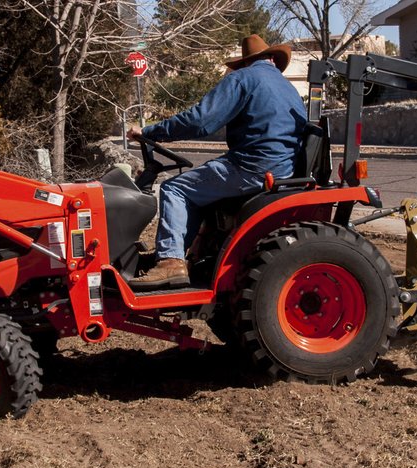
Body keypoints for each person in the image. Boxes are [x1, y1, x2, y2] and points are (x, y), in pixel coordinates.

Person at [127, 34, 308, 290]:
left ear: (246, 62)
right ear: (271, 59)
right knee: (201, 186)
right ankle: (181, 256)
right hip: (282, 168)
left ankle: (170, 262)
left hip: (252, 166)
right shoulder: (288, 88)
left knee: (175, 189)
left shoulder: (243, 79)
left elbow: (200, 122)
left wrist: (150, 132)